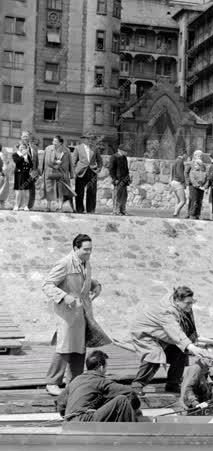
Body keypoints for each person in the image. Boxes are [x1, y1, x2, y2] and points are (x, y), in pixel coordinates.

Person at [42, 234, 111, 396]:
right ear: (75, 248)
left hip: (83, 310)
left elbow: (85, 277)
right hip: (68, 312)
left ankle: (75, 382)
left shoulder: (85, 261)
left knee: (79, 347)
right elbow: (47, 285)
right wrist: (64, 296)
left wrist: (95, 284)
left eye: (91, 250)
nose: (89, 253)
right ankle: (52, 382)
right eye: (86, 250)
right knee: (65, 346)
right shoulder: (64, 263)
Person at [130, 286, 208, 393]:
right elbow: (175, 330)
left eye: (191, 302)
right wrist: (192, 347)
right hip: (145, 334)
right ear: (176, 301)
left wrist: (191, 341)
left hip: (162, 333)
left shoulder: (182, 304)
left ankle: (173, 384)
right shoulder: (166, 311)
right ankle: (137, 384)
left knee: (181, 350)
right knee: (155, 354)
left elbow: (187, 326)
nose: (190, 306)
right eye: (188, 303)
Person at [56, 350, 141, 422]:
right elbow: (130, 392)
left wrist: (70, 416)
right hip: (85, 420)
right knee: (121, 400)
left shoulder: (76, 380)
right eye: (106, 367)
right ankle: (132, 430)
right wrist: (135, 410)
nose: (106, 370)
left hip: (69, 422)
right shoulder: (100, 381)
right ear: (101, 368)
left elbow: (60, 402)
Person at [180, 343, 213, 412]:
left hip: (202, 401)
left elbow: (210, 385)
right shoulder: (195, 369)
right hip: (191, 407)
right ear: (201, 356)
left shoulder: (205, 368)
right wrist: (195, 403)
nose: (212, 360)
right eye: (209, 357)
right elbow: (187, 388)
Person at [43, 136, 75, 212]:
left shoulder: (66, 150)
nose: (53, 143)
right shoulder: (48, 149)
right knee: (49, 189)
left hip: (62, 172)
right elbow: (45, 161)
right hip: (50, 171)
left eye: (56, 141)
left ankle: (60, 207)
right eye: (53, 141)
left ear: (60, 143)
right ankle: (48, 207)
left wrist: (71, 174)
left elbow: (70, 162)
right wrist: (42, 171)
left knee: (61, 190)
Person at [72, 134, 102, 214]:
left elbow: (99, 160)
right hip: (81, 172)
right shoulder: (78, 148)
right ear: (84, 139)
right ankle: (79, 209)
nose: (90, 141)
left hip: (92, 172)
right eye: (88, 139)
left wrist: (98, 169)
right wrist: (75, 171)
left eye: (91, 139)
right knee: (79, 192)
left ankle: (91, 210)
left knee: (92, 192)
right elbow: (73, 161)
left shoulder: (95, 148)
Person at [19, 131, 39, 210]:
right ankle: (21, 205)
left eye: (27, 136)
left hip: (32, 172)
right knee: (22, 188)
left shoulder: (34, 147)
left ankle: (29, 206)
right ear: (21, 137)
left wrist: (36, 170)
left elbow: (36, 160)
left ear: (29, 137)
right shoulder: (18, 146)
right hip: (23, 171)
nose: (25, 138)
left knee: (32, 189)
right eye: (24, 136)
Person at [108, 144, 130, 216]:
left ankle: (122, 210)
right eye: (125, 151)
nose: (126, 152)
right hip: (117, 180)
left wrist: (128, 179)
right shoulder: (114, 157)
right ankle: (116, 210)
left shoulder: (124, 157)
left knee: (124, 196)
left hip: (124, 180)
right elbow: (111, 169)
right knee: (117, 196)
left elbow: (126, 169)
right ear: (120, 150)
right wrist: (114, 179)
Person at [12, 141, 34, 211]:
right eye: (21, 147)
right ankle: (16, 205)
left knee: (26, 190)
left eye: (24, 147)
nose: (23, 148)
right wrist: (22, 155)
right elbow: (17, 162)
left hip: (26, 175)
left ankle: (25, 206)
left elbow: (31, 165)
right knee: (19, 190)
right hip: (19, 174)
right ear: (18, 147)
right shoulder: (15, 154)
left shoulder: (28, 156)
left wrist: (27, 160)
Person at [187, 151, 207, 220]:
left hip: (201, 185)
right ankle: (190, 213)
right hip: (192, 184)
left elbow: (205, 175)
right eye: (198, 155)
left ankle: (197, 214)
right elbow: (187, 173)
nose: (200, 157)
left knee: (199, 200)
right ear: (194, 155)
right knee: (193, 199)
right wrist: (188, 181)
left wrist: (204, 186)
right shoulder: (190, 164)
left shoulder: (203, 165)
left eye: (201, 156)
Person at [0, 144, 13, 209]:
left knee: (3, 189)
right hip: (2, 173)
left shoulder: (2, 155)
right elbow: (3, 165)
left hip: (3, 173)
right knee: (3, 190)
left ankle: (2, 205)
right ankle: (2, 205)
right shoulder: (1, 155)